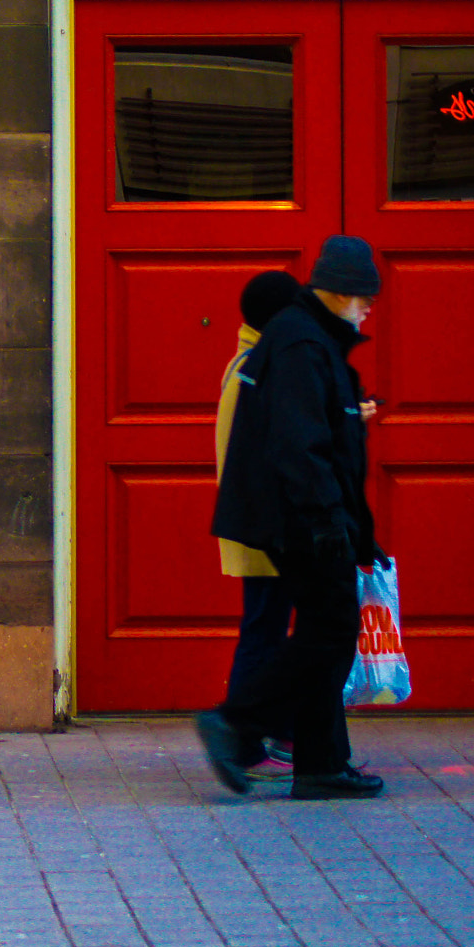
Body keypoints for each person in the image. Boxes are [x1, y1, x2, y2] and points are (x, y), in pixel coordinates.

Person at [197, 236, 387, 800]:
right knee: (327, 633)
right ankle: (236, 721)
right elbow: (301, 443)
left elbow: (327, 431)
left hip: (304, 517)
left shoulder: (307, 338)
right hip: (301, 521)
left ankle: (321, 763)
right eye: (363, 296)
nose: (369, 307)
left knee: (325, 632)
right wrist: (328, 522)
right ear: (339, 291)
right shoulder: (303, 343)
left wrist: (358, 530)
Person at [215, 270, 304, 781]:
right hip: (267, 527)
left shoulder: (246, 362)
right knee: (266, 634)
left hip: (255, 524)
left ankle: (267, 732)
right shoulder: (260, 368)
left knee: (267, 630)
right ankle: (244, 738)